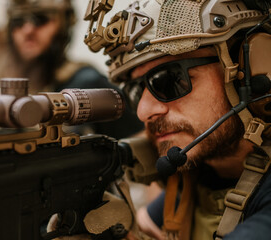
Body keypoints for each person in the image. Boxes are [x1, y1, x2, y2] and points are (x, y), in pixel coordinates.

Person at [77, 0, 271, 239]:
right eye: (136, 90)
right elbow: (147, 223)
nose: (143, 111)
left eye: (169, 79)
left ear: (251, 72)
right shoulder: (200, 174)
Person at [0, 0, 144, 139]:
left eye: (40, 20)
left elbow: (140, 147)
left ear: (62, 27)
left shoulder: (86, 85)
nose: (28, 30)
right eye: (19, 22)